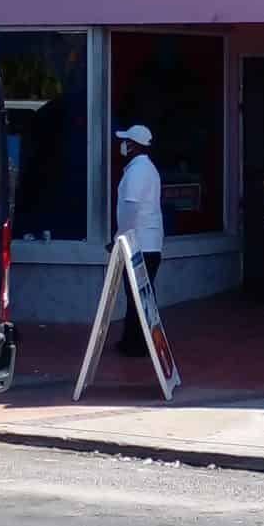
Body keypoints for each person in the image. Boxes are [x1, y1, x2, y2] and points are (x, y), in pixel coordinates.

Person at [114, 123, 163, 358]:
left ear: (133, 145)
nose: (122, 145)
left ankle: (136, 344)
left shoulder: (137, 171)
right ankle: (135, 341)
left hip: (139, 243)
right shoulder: (148, 169)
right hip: (149, 242)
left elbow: (130, 208)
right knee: (141, 295)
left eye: (126, 142)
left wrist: (119, 237)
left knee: (135, 295)